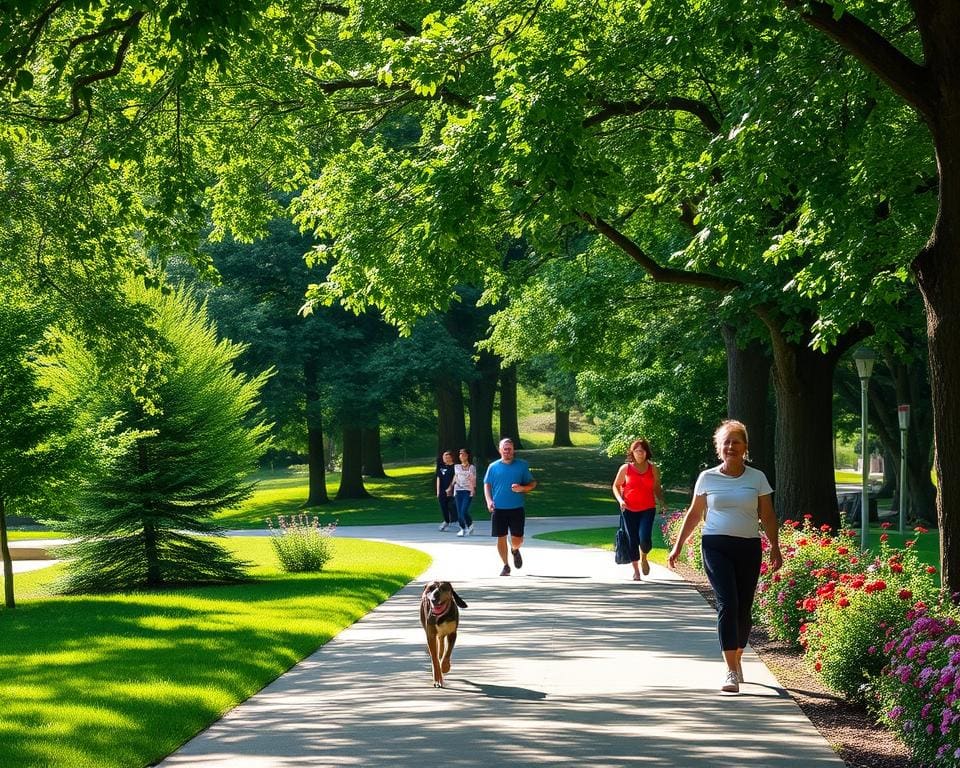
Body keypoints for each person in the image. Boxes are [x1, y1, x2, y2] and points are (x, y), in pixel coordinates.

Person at [667, 419, 782, 694]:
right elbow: (695, 514)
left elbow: (766, 515)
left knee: (743, 608)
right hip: (715, 544)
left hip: (748, 546)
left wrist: (775, 547)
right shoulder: (707, 477)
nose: (731, 446)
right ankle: (730, 670)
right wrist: (678, 545)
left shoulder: (757, 478)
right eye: (726, 442)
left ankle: (738, 655)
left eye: (736, 441)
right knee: (727, 604)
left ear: (745, 447)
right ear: (719, 447)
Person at [612, 438, 667, 581]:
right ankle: (636, 571)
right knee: (632, 540)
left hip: (647, 508)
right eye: (637, 451)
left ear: (646, 452)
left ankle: (644, 557)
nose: (640, 454)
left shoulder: (653, 468)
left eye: (642, 451)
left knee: (644, 538)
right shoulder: (625, 469)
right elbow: (616, 486)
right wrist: (621, 500)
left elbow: (656, 487)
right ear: (632, 453)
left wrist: (661, 501)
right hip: (628, 509)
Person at [484, 438, 537, 576]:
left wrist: (522, 488)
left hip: (516, 508)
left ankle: (515, 549)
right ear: (500, 450)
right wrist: (489, 500)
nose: (507, 451)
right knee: (501, 537)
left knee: (518, 539)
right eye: (505, 448)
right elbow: (487, 484)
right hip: (498, 508)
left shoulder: (522, 465)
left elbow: (532, 483)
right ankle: (506, 565)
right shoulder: (493, 466)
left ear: (513, 450)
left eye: (510, 449)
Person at [452, 448, 477, 536]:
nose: (461, 456)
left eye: (463, 454)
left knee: (464, 511)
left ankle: (468, 526)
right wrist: (450, 487)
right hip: (458, 491)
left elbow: (473, 480)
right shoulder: (457, 467)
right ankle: (464, 528)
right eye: (460, 454)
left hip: (467, 491)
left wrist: (472, 490)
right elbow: (455, 477)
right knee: (460, 513)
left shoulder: (472, 467)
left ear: (467, 456)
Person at [435, 450, 456, 531]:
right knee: (443, 507)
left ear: (451, 458)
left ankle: (458, 520)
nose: (445, 458)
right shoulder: (441, 467)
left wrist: (450, 488)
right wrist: (438, 491)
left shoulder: (455, 467)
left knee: (452, 506)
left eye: (447, 457)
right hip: (442, 491)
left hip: (452, 490)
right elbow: (438, 478)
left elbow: (455, 478)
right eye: (444, 457)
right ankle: (446, 521)